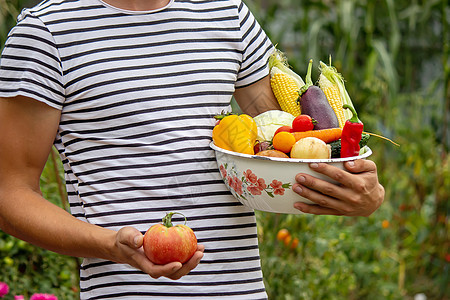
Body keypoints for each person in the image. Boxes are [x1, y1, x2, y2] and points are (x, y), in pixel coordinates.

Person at [0, 0, 384, 299]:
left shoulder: (226, 13)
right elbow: (9, 193)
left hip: (241, 292)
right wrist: (111, 245)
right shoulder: (46, 31)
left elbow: (287, 144)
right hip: (127, 293)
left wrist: (357, 189)